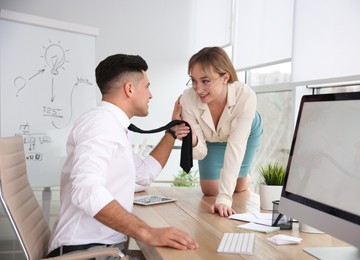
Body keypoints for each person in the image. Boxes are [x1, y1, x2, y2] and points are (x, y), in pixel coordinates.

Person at [47, 54, 198, 258]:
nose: (151, 94)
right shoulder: (100, 125)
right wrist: (147, 232)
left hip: (101, 248)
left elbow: (144, 175)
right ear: (129, 89)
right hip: (84, 251)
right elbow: (86, 190)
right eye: (147, 86)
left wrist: (171, 131)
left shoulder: (113, 126)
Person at [179, 47, 263, 217]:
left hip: (243, 134)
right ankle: (234, 178)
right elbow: (200, 153)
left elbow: (236, 146)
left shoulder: (245, 96)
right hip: (211, 136)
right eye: (193, 80)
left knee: (238, 187)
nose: (198, 89)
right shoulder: (187, 99)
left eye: (205, 81)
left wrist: (224, 199)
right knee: (210, 190)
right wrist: (193, 139)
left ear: (225, 77)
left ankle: (243, 175)